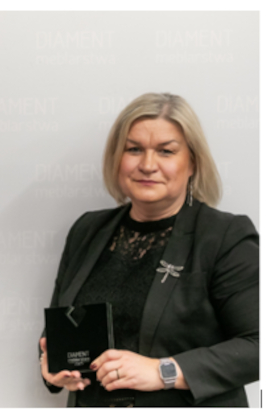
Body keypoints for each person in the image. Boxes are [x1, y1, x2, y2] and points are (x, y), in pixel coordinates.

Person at [39, 93, 258, 407]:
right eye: (134, 149)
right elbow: (57, 333)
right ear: (117, 158)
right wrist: (52, 367)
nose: (147, 165)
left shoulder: (225, 236)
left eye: (166, 151)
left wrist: (163, 371)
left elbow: (257, 345)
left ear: (193, 162)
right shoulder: (87, 231)